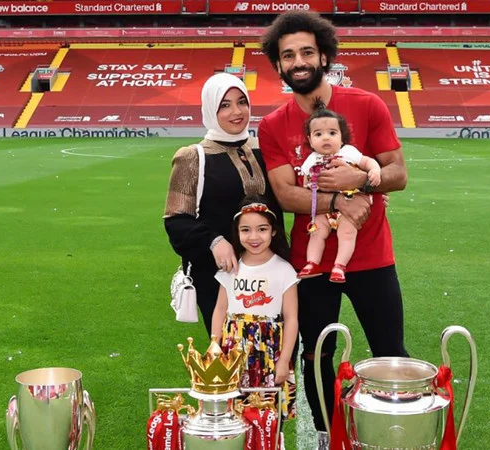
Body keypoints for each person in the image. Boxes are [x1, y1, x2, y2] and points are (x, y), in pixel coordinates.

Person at [257, 10, 409, 447]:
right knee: (316, 356)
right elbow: (285, 195)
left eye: (307, 52)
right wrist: (341, 199)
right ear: (279, 65)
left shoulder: (367, 104)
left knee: (389, 350)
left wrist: (361, 179)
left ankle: (393, 435)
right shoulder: (272, 125)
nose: (298, 62)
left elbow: (398, 173)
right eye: (288, 55)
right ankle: (326, 436)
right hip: (312, 264)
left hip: (372, 256)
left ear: (324, 56)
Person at [164, 72, 280, 335]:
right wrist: (214, 241)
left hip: (270, 272)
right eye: (224, 105)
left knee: (278, 348)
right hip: (220, 278)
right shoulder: (193, 157)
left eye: (242, 102)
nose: (236, 112)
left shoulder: (264, 149)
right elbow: (176, 222)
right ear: (209, 109)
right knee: (232, 350)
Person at [211, 195, 299, 421]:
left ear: (273, 231)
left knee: (268, 414)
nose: (254, 237)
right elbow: (220, 309)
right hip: (234, 350)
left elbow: (291, 318)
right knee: (235, 413)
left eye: (262, 229)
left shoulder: (284, 270)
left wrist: (284, 360)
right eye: (245, 230)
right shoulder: (231, 268)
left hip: (269, 351)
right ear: (237, 232)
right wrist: (215, 347)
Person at [297, 103, 381, 283]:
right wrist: (310, 184)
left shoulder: (348, 152)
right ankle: (312, 263)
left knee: (347, 233)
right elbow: (305, 183)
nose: (326, 138)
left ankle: (339, 266)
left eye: (332, 133)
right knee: (316, 232)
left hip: (349, 205)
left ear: (342, 137)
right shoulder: (311, 160)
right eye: (318, 134)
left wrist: (374, 171)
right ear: (310, 140)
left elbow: (368, 162)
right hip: (323, 208)